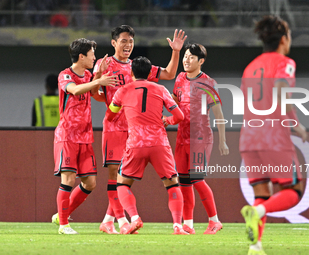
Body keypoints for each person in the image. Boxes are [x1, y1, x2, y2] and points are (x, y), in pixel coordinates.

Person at [92, 25, 187, 234]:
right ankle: (121, 221)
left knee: (123, 181)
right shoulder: (103, 64)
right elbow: (96, 94)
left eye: (131, 41)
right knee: (115, 175)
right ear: (114, 43)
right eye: (124, 40)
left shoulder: (137, 65)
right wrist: (98, 76)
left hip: (136, 132)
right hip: (117, 127)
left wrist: (176, 51)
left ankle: (112, 220)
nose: (128, 45)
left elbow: (170, 73)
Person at [239, 15, 307, 255]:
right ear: (284, 40)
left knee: (261, 193)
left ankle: (255, 246)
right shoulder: (284, 62)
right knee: (294, 190)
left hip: (248, 138)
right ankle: (258, 212)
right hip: (273, 137)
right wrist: (295, 123)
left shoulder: (250, 66)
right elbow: (280, 88)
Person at [51, 38, 116, 234]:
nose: (94, 57)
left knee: (90, 183)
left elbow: (95, 92)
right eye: (92, 54)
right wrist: (98, 79)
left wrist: (99, 74)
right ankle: (64, 225)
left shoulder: (89, 75)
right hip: (67, 135)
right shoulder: (65, 75)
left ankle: (61, 214)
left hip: (85, 136)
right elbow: (75, 90)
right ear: (81, 56)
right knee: (68, 179)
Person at [171, 43, 229, 235]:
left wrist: (222, 141)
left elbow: (218, 114)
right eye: (185, 56)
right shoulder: (179, 78)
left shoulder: (208, 83)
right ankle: (188, 223)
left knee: (197, 179)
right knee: (184, 182)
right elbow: (174, 104)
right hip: (182, 138)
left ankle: (214, 220)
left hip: (200, 138)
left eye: (191, 57)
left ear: (201, 61)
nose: (186, 60)